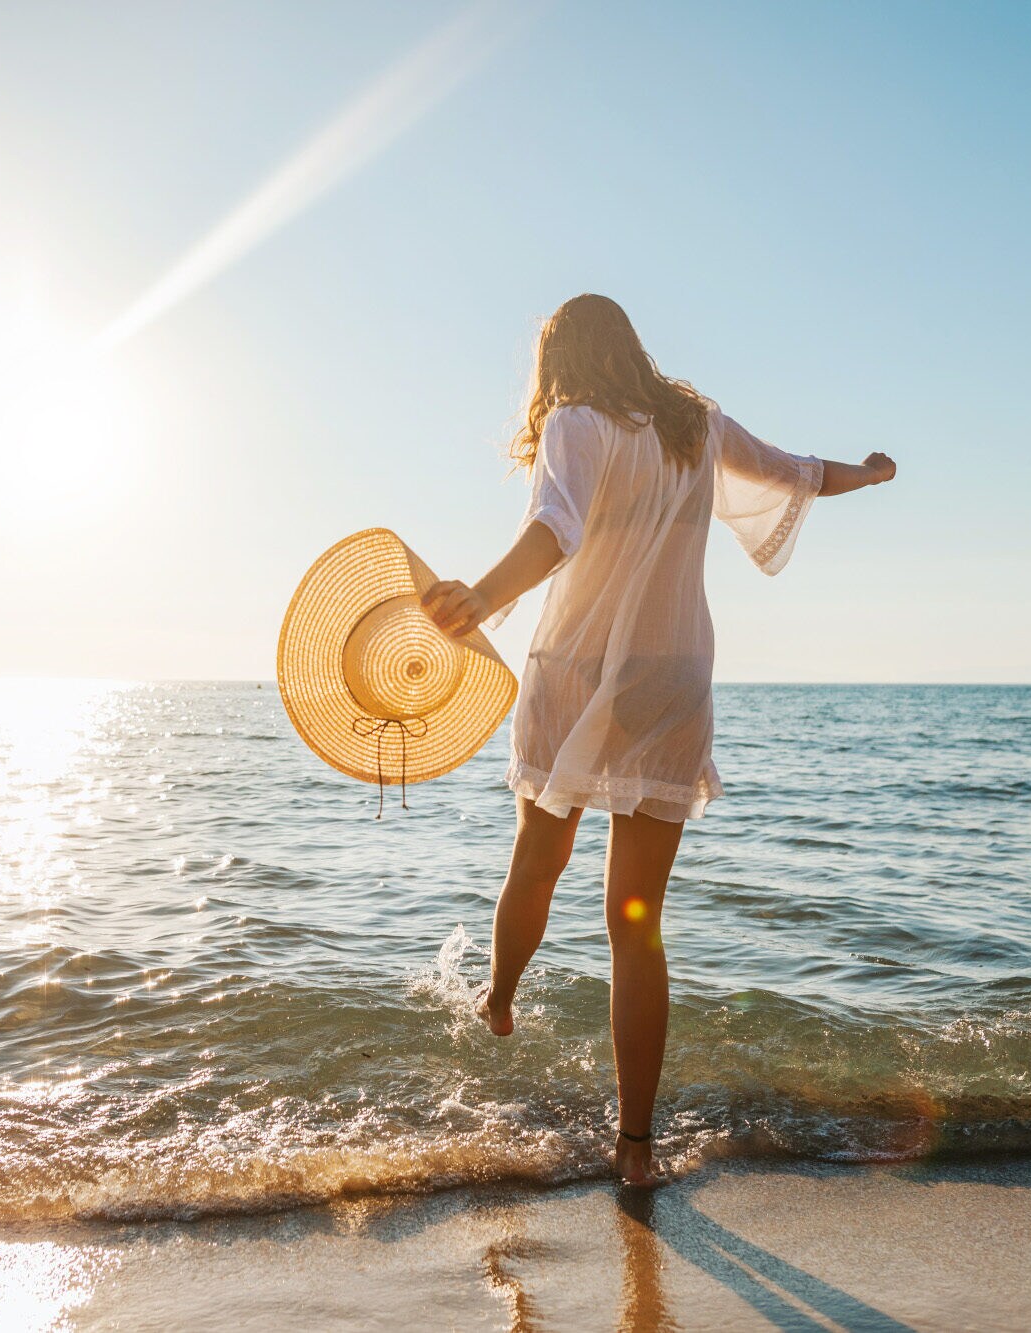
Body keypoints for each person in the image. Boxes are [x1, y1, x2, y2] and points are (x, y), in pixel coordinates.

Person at [419, 294, 897, 1186]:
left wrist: (481, 598)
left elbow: (553, 530)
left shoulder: (573, 419)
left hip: (580, 669)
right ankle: (636, 1149)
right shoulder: (697, 427)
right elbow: (798, 471)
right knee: (637, 926)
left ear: (559, 362)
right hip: (674, 681)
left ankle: (499, 999)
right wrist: (866, 475)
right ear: (633, 351)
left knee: (539, 856)